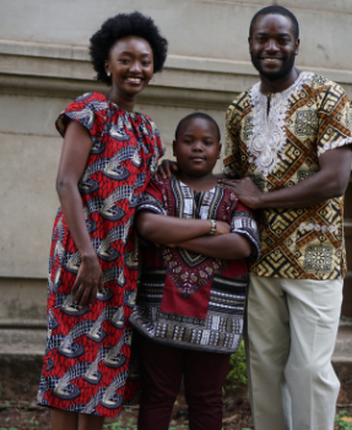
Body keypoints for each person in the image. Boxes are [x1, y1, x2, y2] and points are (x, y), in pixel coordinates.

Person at [211, 5, 352, 430]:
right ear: (251, 44)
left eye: (281, 39)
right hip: (259, 257)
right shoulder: (239, 108)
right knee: (264, 368)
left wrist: (263, 201)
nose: (271, 47)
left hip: (316, 259)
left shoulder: (329, 96)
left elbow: (335, 179)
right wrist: (179, 175)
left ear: (296, 44)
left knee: (310, 370)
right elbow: (235, 181)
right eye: (262, 39)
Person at [36, 11, 168, 429]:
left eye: (145, 61)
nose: (137, 69)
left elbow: (140, 191)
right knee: (69, 360)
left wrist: (163, 172)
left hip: (123, 264)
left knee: (106, 364)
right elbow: (65, 183)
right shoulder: (89, 110)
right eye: (126, 59)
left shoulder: (148, 130)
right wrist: (89, 256)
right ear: (107, 64)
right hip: (81, 255)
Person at [129, 113, 260, 430]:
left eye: (207, 142)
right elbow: (148, 225)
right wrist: (213, 228)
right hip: (157, 317)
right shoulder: (161, 184)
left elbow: (242, 245)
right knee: (157, 396)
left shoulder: (235, 191)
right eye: (189, 141)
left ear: (219, 149)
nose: (197, 148)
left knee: (207, 399)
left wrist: (176, 237)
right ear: (174, 147)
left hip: (217, 319)